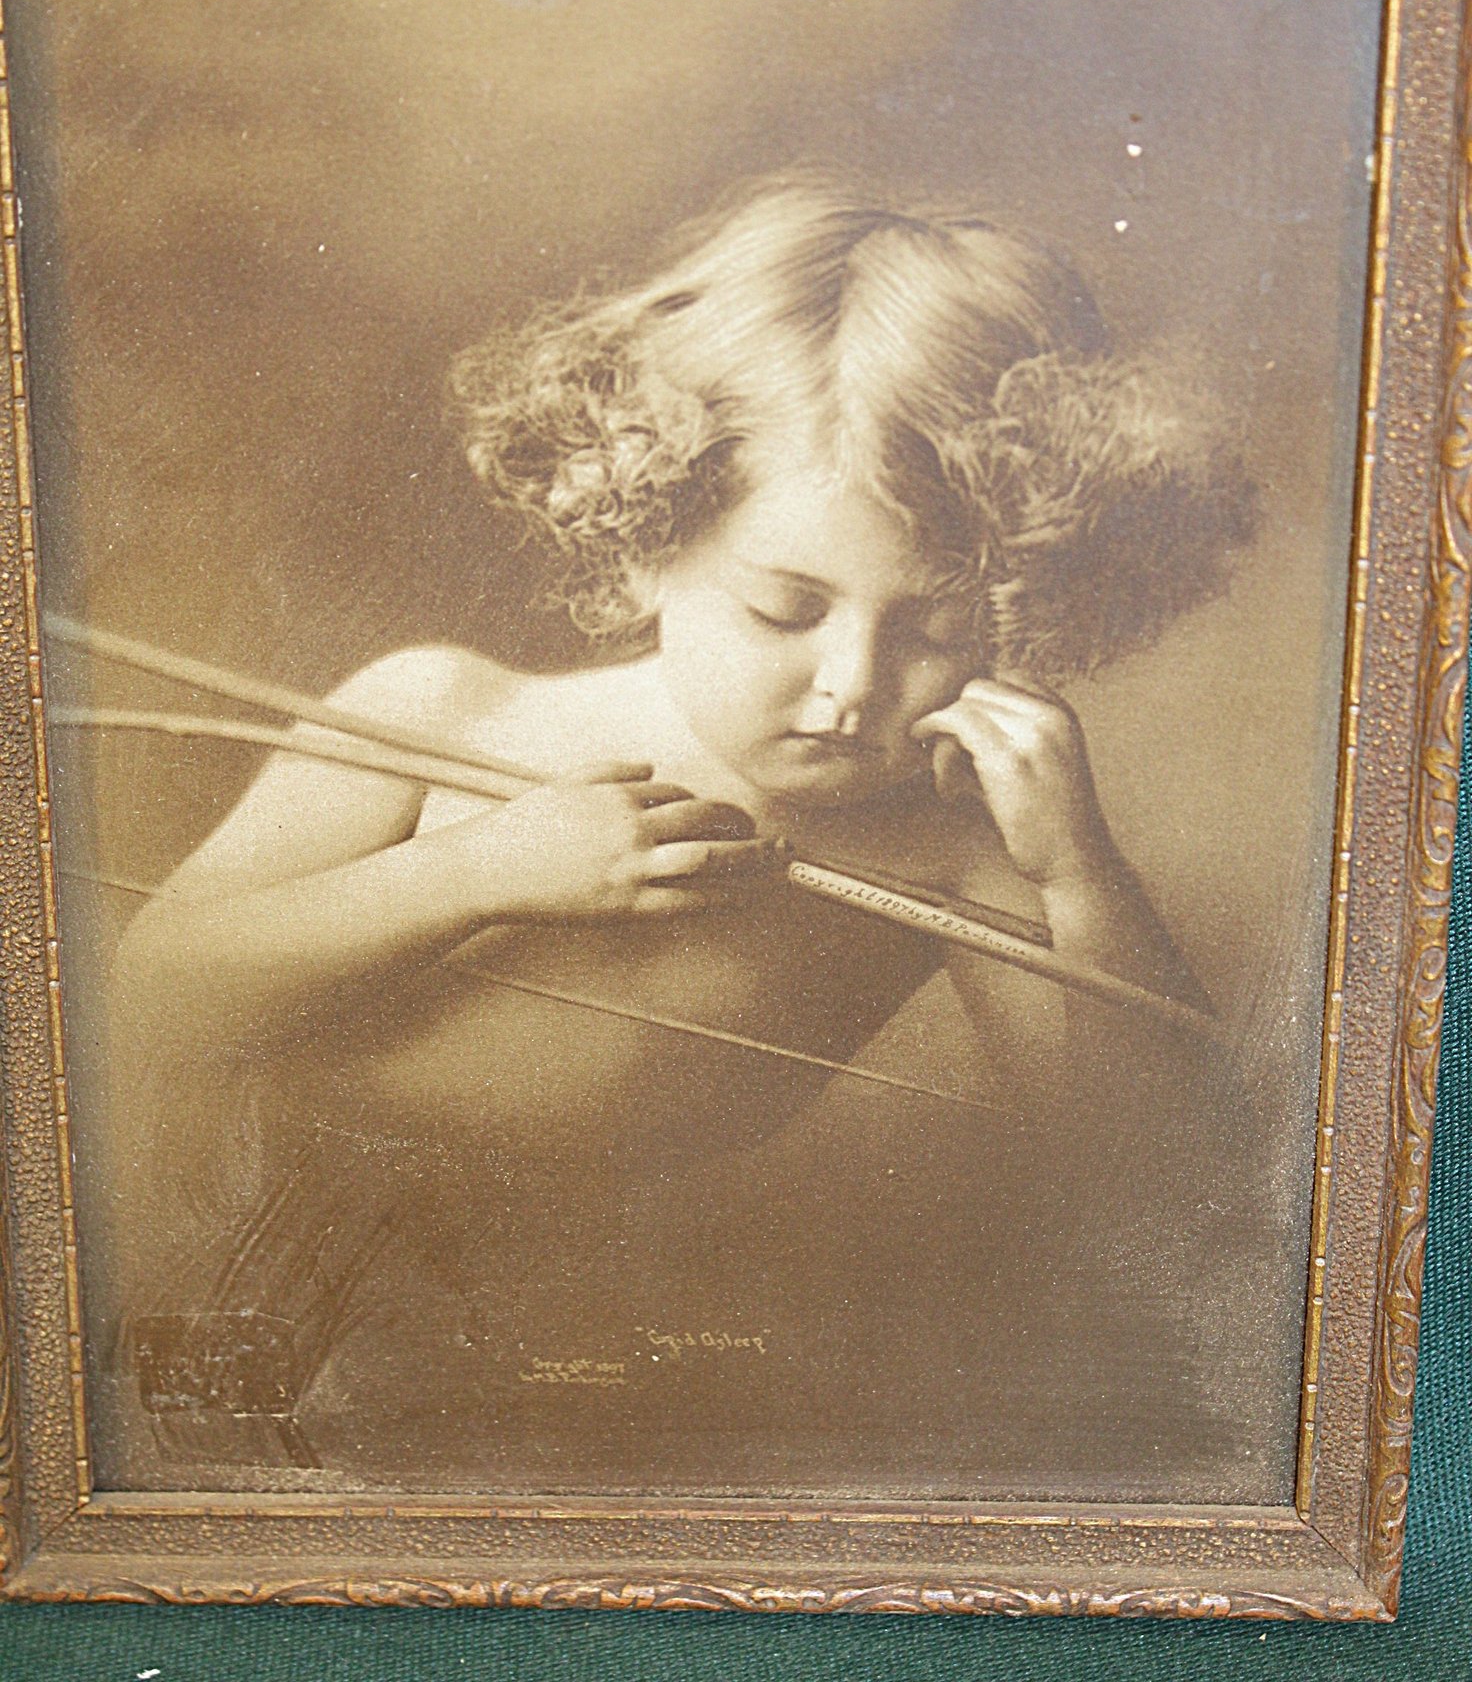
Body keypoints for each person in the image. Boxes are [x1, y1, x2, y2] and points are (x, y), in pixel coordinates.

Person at [94, 177, 1254, 1490]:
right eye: (785, 611)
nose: (851, 686)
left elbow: (1153, 1178)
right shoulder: (445, 709)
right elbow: (155, 998)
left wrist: (1082, 875)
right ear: (649, 540)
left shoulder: (952, 849)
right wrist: (475, 872)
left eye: (934, 630)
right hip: (238, 1250)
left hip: (553, 1336)